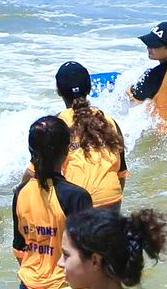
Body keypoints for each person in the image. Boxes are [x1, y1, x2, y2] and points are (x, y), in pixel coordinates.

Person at [13, 115, 94, 289]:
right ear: (67, 151)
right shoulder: (77, 197)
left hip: (29, 287)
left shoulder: (20, 193)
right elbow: (86, 253)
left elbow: (19, 248)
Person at [55, 62, 129, 208]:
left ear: (59, 91)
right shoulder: (109, 121)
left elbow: (38, 173)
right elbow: (121, 173)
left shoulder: (57, 123)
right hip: (112, 198)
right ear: (89, 89)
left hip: (78, 201)